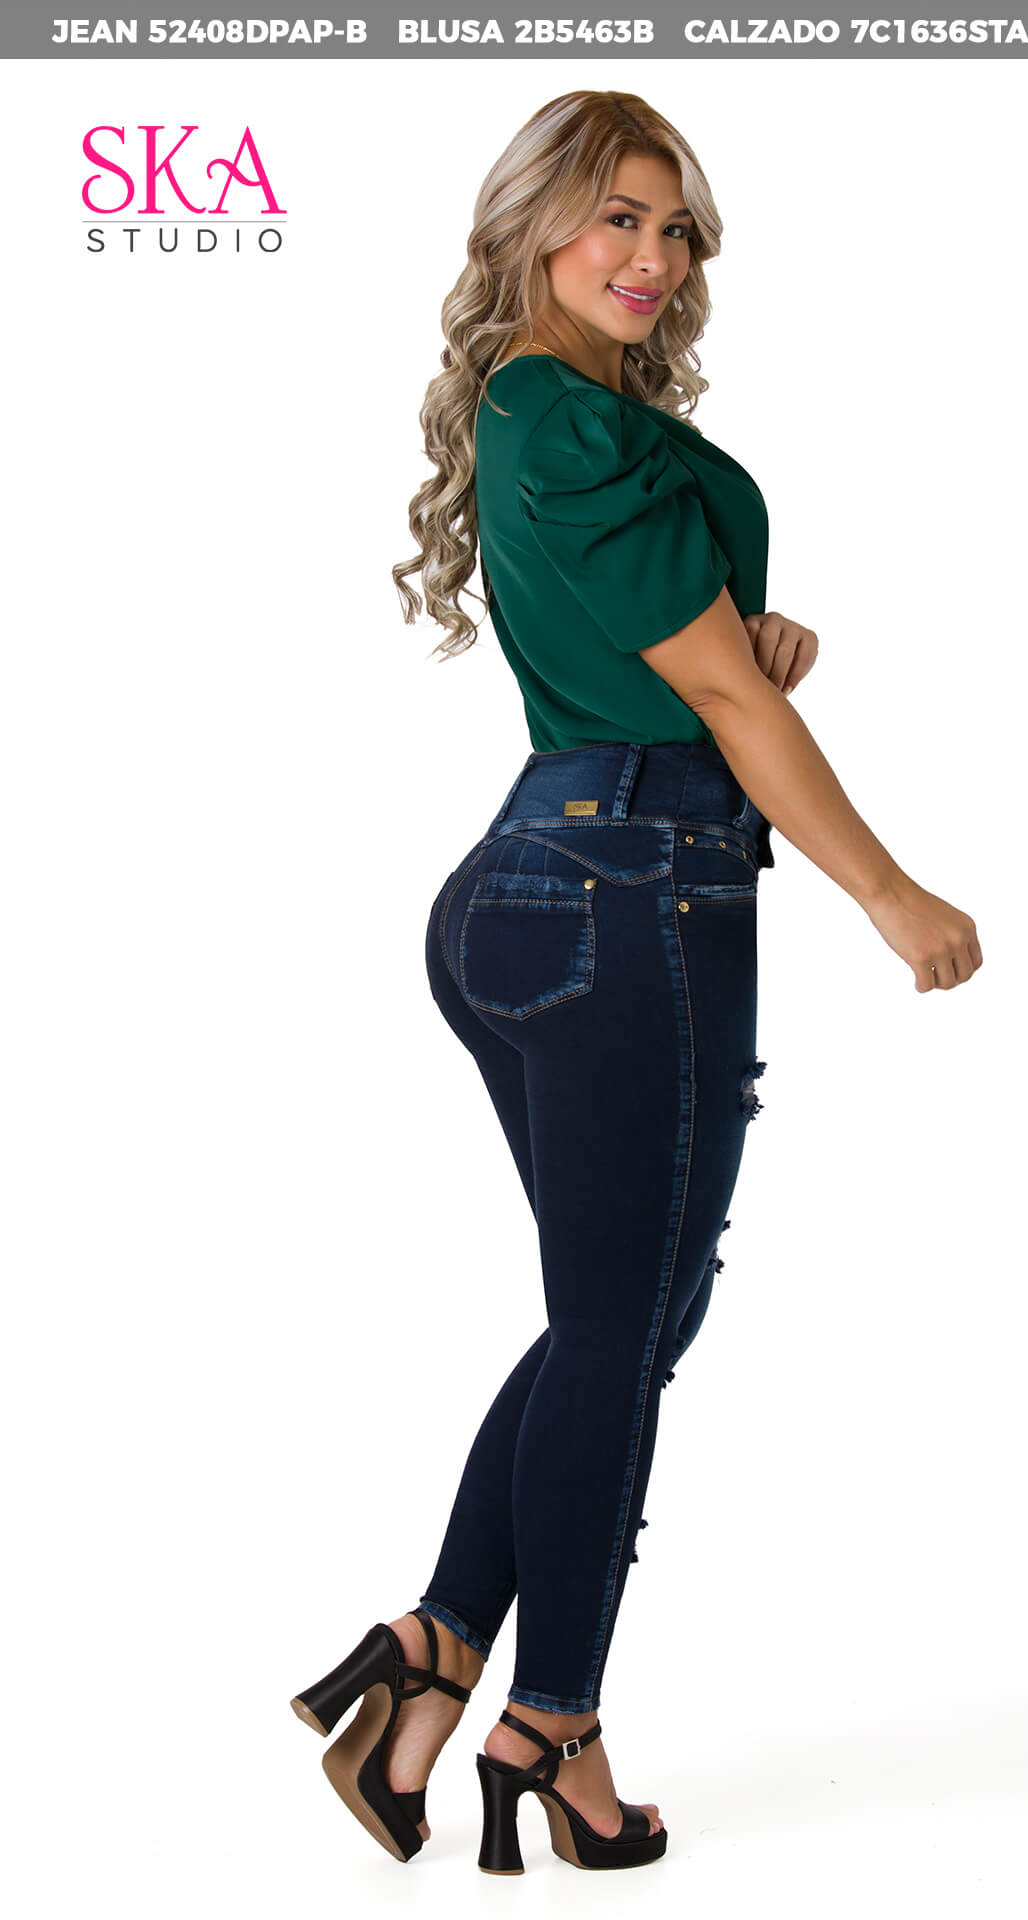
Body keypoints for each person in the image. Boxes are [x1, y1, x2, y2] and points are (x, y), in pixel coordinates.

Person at [289, 89, 981, 1875]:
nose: (652, 256)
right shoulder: (567, 416)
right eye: (617, 216)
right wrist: (890, 892)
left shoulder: (558, 414)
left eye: (676, 229)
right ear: (531, 225)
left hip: (553, 878)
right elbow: (728, 704)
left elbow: (696, 657)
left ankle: (433, 1657)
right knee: (621, 1329)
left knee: (620, 1318)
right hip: (633, 886)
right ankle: (555, 1726)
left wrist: (745, 630)